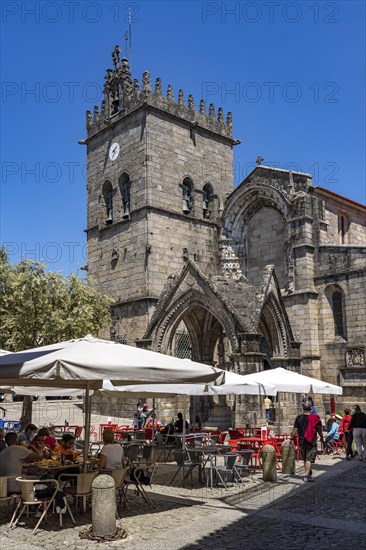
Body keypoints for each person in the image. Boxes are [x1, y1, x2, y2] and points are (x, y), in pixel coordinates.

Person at [290, 403, 324, 482]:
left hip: (301, 440)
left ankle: (309, 474)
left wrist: (291, 438)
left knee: (305, 458)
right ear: (311, 409)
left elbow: (294, 430)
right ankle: (306, 476)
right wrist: (322, 438)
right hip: (311, 440)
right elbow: (319, 430)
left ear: (303, 409)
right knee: (309, 458)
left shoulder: (298, 418)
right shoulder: (315, 417)